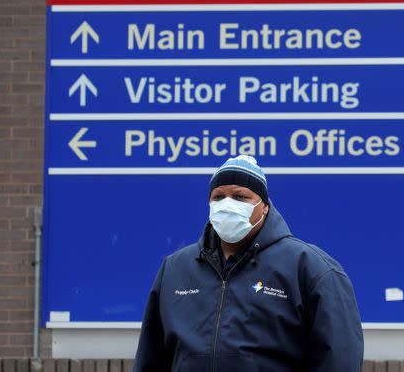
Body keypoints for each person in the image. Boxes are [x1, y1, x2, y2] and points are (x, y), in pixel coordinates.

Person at [133, 154, 364, 371]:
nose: (227, 203)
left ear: (264, 206)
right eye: (218, 197)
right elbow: (151, 356)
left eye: (240, 196)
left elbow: (338, 359)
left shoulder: (311, 268)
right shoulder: (176, 268)